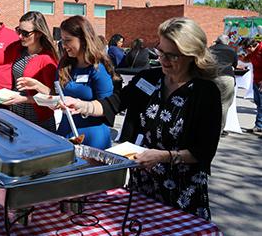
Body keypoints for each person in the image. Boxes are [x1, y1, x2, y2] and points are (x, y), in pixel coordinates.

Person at [61, 17, 221, 220]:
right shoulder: (149, 78)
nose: (163, 60)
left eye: (172, 56)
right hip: (142, 181)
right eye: (160, 51)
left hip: (182, 189)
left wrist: (164, 157)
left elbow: (204, 150)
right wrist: (83, 105)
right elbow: (115, 103)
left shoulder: (205, 92)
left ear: (192, 55)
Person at [16, 16, 117, 148]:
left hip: (92, 135)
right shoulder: (65, 64)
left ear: (84, 39)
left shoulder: (98, 68)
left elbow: (107, 107)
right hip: (66, 131)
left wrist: (81, 106)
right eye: (62, 40)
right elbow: (59, 96)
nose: (64, 45)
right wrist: (38, 87)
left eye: (68, 40)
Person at [0, 11, 58, 131]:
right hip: (17, 114)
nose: (20, 36)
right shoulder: (19, 48)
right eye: (19, 30)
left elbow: (52, 97)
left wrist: (24, 99)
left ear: (38, 33)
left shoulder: (47, 59)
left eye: (25, 33)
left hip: (38, 121)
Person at [209, 34, 238, 136]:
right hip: (226, 77)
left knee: (209, 103)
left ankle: (207, 126)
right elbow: (235, 64)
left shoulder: (210, 49)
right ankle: (219, 129)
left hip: (210, 76)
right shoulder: (231, 50)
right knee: (224, 104)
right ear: (227, 42)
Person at [240, 38, 262, 135]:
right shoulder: (252, 52)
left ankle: (259, 125)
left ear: (251, 46)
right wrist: (240, 58)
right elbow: (246, 59)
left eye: (245, 49)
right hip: (256, 80)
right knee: (258, 103)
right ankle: (259, 126)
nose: (245, 51)